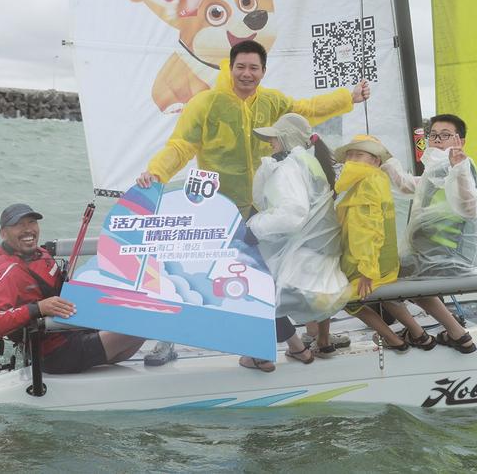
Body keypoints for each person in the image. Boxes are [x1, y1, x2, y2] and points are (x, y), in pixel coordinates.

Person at [137, 39, 369, 366]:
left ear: (263, 70)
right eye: (241, 67)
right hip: (216, 207)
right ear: (230, 67)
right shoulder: (205, 103)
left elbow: (306, 110)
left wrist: (348, 98)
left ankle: (290, 344)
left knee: (258, 281)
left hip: (261, 212)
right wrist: (156, 173)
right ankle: (168, 341)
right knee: (187, 271)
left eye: (254, 68)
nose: (247, 73)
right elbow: (180, 146)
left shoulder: (272, 102)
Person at [0, 204, 146, 374]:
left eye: (32, 222)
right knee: (144, 323)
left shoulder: (36, 253)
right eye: (19, 225)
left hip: (70, 328)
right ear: (3, 233)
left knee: (135, 312)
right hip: (54, 353)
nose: (28, 229)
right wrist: (39, 308)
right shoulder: (7, 270)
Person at [245, 113, 351, 368]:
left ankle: (270, 354)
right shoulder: (309, 162)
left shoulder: (288, 169)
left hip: (298, 261)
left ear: (287, 138)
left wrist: (253, 228)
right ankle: (304, 343)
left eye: (274, 138)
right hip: (316, 259)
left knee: (249, 287)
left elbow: (292, 214)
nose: (270, 143)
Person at [379, 113, 477, 353]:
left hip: (447, 258)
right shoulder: (437, 169)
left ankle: (418, 335)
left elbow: (470, 206)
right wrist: (386, 160)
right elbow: (408, 185)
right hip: (434, 255)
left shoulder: (459, 166)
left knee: (380, 279)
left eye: (445, 135)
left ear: (460, 140)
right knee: (406, 279)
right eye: (433, 135)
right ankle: (457, 334)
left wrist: (459, 169)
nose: (437, 140)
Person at [332, 134, 408, 350]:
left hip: (371, 267)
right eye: (350, 155)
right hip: (384, 263)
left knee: (342, 299)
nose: (352, 160)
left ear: (376, 161)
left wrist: (367, 270)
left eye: (359, 155)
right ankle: (417, 333)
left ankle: (394, 339)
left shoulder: (365, 182)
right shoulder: (375, 179)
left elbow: (368, 230)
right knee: (386, 298)